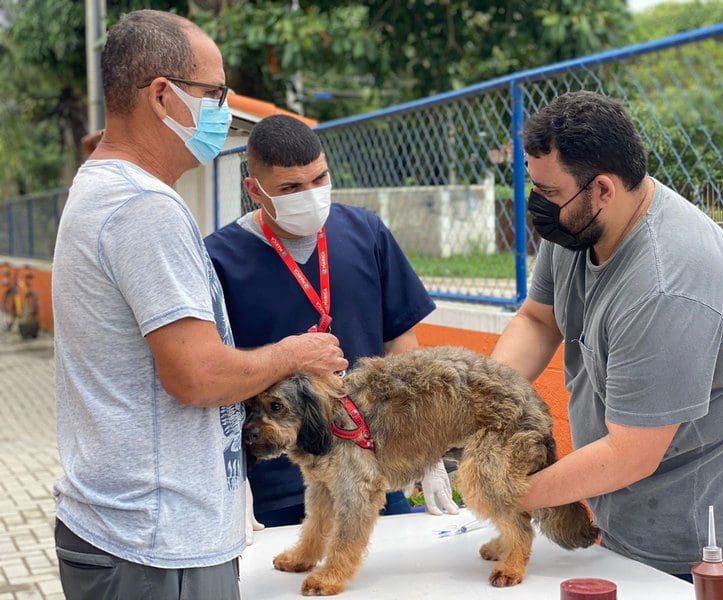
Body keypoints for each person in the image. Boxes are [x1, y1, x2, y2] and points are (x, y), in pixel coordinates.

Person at [51, 11, 347, 600]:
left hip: (127, 530)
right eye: (214, 93)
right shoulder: (143, 210)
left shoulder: (103, 190)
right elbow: (196, 374)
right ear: (163, 95)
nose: (224, 109)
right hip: (157, 549)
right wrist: (295, 353)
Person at [491, 91, 723, 589]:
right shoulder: (579, 223)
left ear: (603, 188)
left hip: (688, 527)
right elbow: (539, 321)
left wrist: (501, 492)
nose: (536, 204)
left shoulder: (668, 285)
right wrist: (477, 403)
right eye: (531, 185)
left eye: (548, 192)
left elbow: (631, 454)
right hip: (621, 498)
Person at [205, 115, 459, 526]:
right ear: (254, 190)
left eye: (319, 179)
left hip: (373, 472)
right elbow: (215, 374)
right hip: (275, 486)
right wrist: (233, 477)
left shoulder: (367, 233)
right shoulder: (220, 260)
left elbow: (401, 345)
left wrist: (424, 446)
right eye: (290, 189)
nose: (309, 195)